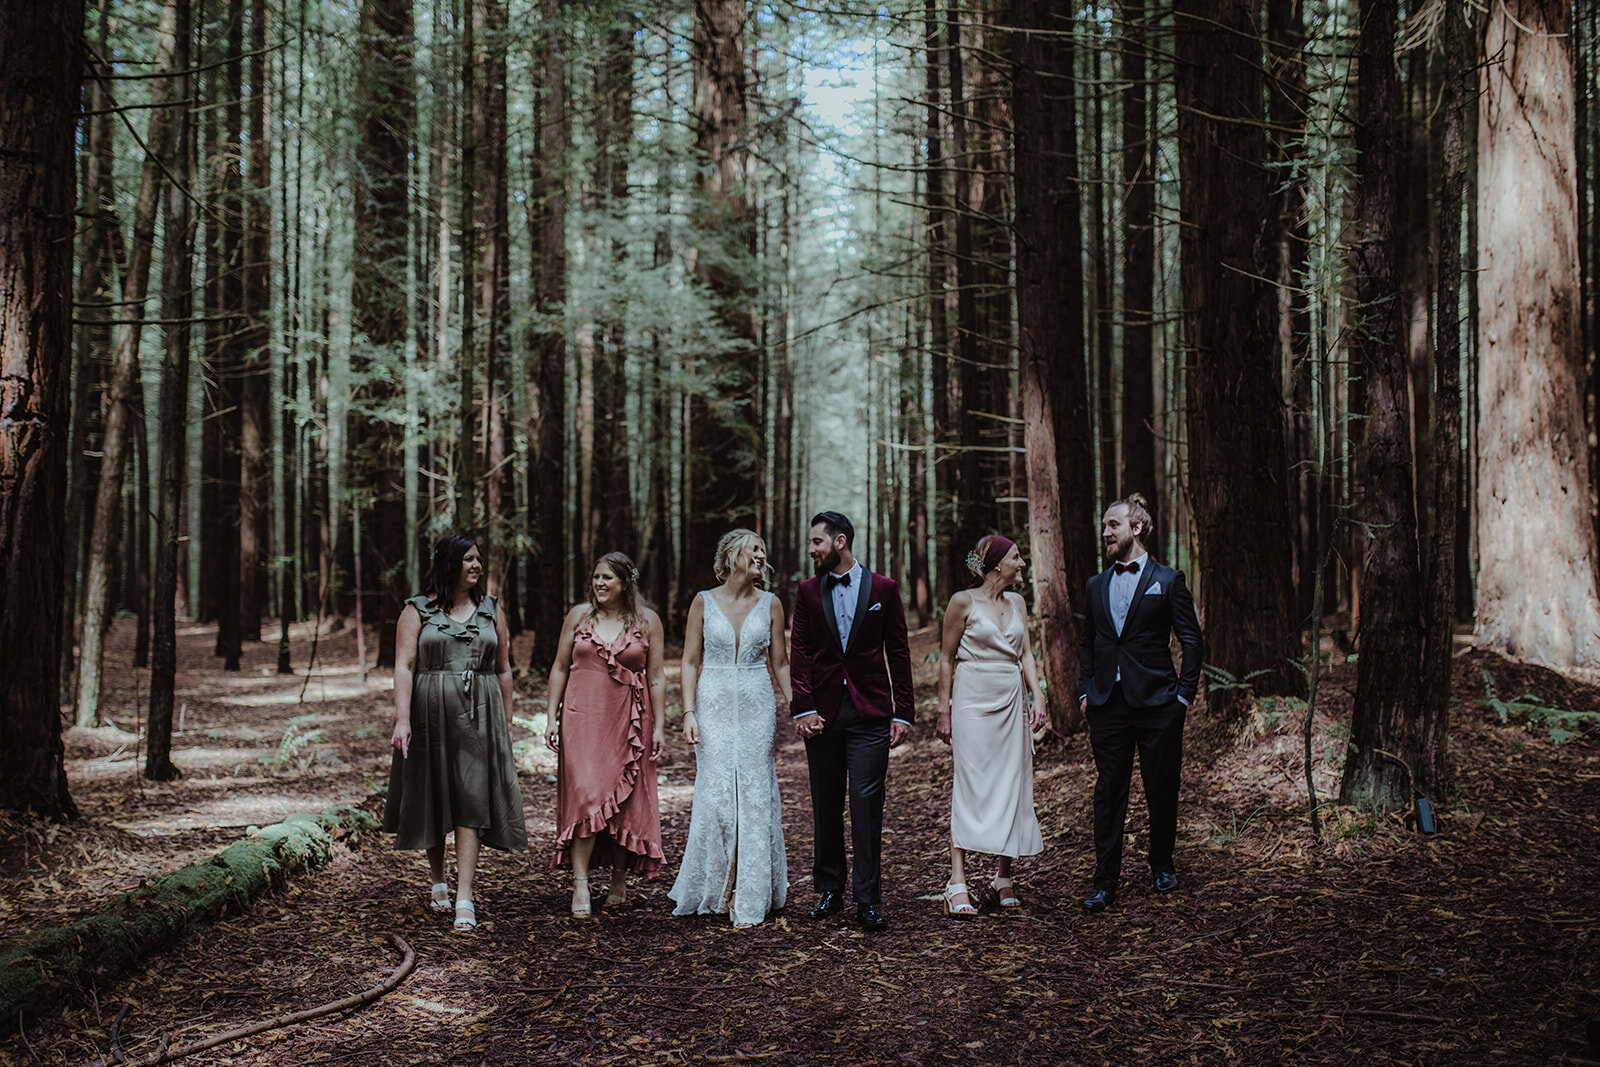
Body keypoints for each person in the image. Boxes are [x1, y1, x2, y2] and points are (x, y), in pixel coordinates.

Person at [383, 534, 527, 933]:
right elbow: (403, 666)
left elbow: (503, 669)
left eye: (478, 559)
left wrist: (507, 720)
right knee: (433, 795)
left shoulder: (491, 610)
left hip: (480, 713)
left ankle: (465, 895)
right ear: (449, 564)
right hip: (430, 712)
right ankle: (437, 880)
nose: (477, 565)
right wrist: (402, 719)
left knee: (470, 800)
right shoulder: (417, 611)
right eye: (468, 559)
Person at [789, 511, 915, 932]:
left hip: (871, 713)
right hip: (822, 714)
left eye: (816, 542)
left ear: (839, 542)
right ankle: (829, 890)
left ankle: (868, 898)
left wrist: (904, 712)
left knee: (865, 803)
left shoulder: (885, 589)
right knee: (825, 801)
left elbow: (898, 650)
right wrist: (803, 707)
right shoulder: (807, 592)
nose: (811, 550)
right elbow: (801, 652)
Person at [1078, 493, 1203, 912]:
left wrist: (1182, 696)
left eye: (1112, 524)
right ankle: (1104, 881)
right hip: (1107, 706)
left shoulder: (1168, 581)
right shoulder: (1096, 585)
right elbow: (1087, 643)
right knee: (1108, 792)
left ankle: (1162, 864)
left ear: (1137, 528)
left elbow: (1192, 640)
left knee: (1160, 788)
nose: (1105, 532)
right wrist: (1084, 691)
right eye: (1104, 525)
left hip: (1158, 706)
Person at [669, 529, 792, 928]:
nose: (760, 554)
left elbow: (781, 663)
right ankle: (717, 886)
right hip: (714, 702)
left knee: (755, 793)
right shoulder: (702, 602)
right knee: (718, 795)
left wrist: (799, 705)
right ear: (731, 555)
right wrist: (688, 712)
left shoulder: (771, 604)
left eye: (763, 549)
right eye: (753, 548)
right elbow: (689, 661)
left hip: (757, 703)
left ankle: (749, 889)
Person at [545, 552, 667, 918]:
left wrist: (660, 725)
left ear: (625, 582)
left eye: (607, 578)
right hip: (582, 719)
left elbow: (657, 676)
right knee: (585, 793)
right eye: (596, 577)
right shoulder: (578, 616)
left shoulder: (648, 621)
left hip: (629, 719)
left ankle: (618, 880)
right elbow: (558, 667)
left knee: (624, 798)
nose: (599, 584)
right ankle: (580, 882)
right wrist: (551, 716)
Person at [935, 534, 1047, 917]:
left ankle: (1003, 876)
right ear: (998, 564)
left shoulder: (1017, 602)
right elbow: (947, 659)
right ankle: (957, 882)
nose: (1023, 563)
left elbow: (1027, 654)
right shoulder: (962, 602)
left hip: (1010, 698)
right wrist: (944, 711)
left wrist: (1038, 695)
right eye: (1017, 557)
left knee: (1010, 783)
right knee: (970, 784)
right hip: (972, 701)